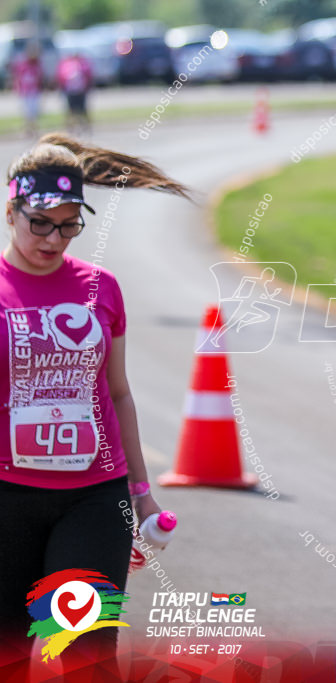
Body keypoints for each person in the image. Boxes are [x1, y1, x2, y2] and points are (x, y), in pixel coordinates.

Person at [0, 133, 190, 682]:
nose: (54, 238)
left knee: (86, 656)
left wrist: (141, 492)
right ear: (11, 212)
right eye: (40, 222)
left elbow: (119, 393)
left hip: (95, 498)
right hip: (6, 497)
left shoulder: (99, 288)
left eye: (68, 224)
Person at [10, 46, 45, 139]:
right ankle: (28, 128)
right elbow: (18, 78)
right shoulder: (23, 66)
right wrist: (18, 89)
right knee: (27, 111)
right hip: (26, 91)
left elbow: (39, 78)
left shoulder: (37, 66)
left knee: (34, 111)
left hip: (34, 91)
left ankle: (33, 127)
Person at [56, 51, 93, 136]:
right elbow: (61, 77)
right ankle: (70, 128)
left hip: (80, 90)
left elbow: (88, 76)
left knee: (83, 111)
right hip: (70, 91)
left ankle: (86, 127)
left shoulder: (83, 65)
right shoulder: (66, 65)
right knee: (71, 111)